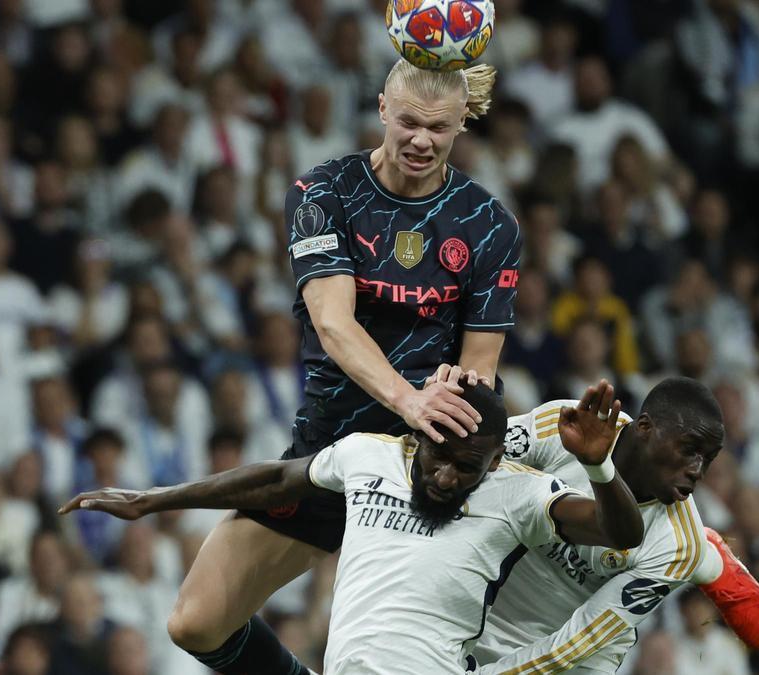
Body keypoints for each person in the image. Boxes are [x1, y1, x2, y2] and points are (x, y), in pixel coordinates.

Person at [123, 57, 521, 675]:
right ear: (383, 110)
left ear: (461, 123)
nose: (421, 139)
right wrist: (409, 397)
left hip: (428, 471)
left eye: (438, 127)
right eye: (409, 121)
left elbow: (479, 367)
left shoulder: (488, 224)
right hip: (328, 451)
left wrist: (449, 392)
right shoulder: (323, 193)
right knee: (196, 623)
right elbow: (333, 323)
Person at [61, 380, 644, 674]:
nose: (443, 476)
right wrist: (154, 499)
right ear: (416, 436)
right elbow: (274, 480)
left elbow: (620, 533)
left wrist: (597, 466)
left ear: (495, 462)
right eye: (435, 455)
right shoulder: (370, 453)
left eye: (466, 468)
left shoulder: (519, 495)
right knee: (192, 628)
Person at [474, 376, 759, 672]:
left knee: (689, 552)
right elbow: (472, 463)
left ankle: (707, 561)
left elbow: (575, 643)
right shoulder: (568, 425)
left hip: (578, 654)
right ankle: (709, 560)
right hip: (488, 605)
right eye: (689, 449)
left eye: (707, 459)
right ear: (644, 428)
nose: (698, 471)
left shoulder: (678, 545)